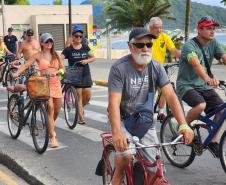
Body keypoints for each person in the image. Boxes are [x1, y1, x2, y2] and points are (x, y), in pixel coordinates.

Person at [108, 27, 194, 185]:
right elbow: (113, 103)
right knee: (126, 155)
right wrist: (117, 132)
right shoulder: (119, 69)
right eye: (140, 45)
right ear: (130, 46)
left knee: (154, 170)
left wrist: (183, 125)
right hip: (123, 120)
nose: (145, 48)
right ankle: (116, 177)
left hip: (145, 121)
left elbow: (170, 95)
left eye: (149, 44)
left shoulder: (156, 67)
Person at [176, 16, 226, 157]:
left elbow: (224, 58)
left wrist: (207, 82)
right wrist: (208, 79)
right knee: (200, 105)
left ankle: (212, 142)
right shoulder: (189, 46)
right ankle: (183, 126)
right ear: (199, 29)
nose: (212, 31)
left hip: (204, 86)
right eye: (208, 28)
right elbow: (196, 64)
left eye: (213, 28)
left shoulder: (214, 43)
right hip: (186, 85)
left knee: (221, 110)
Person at [12, 33, 65, 148]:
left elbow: (62, 68)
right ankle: (52, 137)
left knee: (56, 111)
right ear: (41, 43)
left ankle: (49, 125)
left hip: (56, 84)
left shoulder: (56, 55)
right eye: (47, 42)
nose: (49, 43)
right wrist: (17, 73)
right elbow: (26, 65)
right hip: (43, 84)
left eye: (51, 41)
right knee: (50, 108)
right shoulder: (38, 55)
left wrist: (59, 72)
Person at [148, 17, 181, 121]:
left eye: (160, 27)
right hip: (147, 68)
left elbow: (174, 50)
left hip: (160, 68)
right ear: (150, 27)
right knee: (150, 92)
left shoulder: (164, 36)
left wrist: (186, 57)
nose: (159, 30)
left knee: (164, 89)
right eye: (156, 28)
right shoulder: (145, 37)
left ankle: (161, 112)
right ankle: (147, 111)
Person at [61, 27, 95, 125]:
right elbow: (60, 58)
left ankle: (80, 107)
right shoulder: (68, 49)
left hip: (86, 74)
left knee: (88, 96)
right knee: (79, 96)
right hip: (75, 74)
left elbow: (93, 57)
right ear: (73, 37)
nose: (79, 38)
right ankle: (81, 117)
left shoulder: (85, 47)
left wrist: (87, 60)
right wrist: (63, 68)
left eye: (80, 36)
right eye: (76, 36)